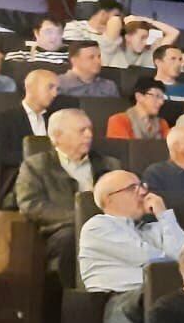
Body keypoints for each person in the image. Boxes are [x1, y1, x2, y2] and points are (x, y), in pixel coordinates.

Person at [78, 169, 184, 323]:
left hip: (162, 294)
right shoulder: (97, 226)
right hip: (119, 303)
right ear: (109, 199)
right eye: (133, 188)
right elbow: (153, 262)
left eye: (142, 186)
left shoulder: (154, 228)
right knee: (161, 292)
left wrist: (165, 216)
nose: (144, 192)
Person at [15, 109, 122, 277]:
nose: (89, 135)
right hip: (63, 231)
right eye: (82, 131)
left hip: (110, 229)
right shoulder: (36, 166)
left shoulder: (109, 164)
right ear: (57, 137)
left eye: (90, 130)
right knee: (73, 239)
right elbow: (31, 205)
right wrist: (78, 218)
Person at [0, 66, 58, 178]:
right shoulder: (6, 119)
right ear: (30, 88)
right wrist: (35, 160)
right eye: (50, 87)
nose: (55, 94)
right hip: (21, 178)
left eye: (56, 89)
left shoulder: (55, 118)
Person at [106, 75, 171, 141]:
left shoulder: (162, 124)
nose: (161, 102)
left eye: (162, 98)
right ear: (139, 96)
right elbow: (121, 149)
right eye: (157, 96)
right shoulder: (119, 120)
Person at [55, 41, 119, 99]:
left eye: (99, 57)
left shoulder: (109, 86)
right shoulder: (58, 84)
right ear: (74, 61)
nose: (98, 61)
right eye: (91, 57)